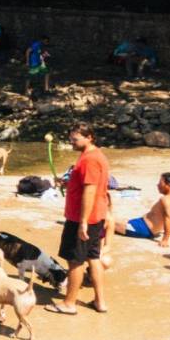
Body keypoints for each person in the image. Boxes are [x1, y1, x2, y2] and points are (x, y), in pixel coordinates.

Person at [49, 123, 110, 315]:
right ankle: (100, 302)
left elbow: (90, 191)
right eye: (71, 138)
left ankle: (69, 303)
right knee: (93, 258)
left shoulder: (90, 159)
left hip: (83, 218)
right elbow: (88, 184)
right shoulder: (96, 155)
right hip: (96, 216)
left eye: (75, 139)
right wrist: (68, 182)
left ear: (89, 137)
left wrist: (82, 222)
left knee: (75, 261)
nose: (71, 142)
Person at [114, 172, 170, 247]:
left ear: (169, 185)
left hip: (142, 229)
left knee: (108, 222)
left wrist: (165, 240)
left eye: (160, 183)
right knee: (119, 220)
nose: (158, 185)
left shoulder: (165, 200)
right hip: (141, 224)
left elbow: (168, 219)